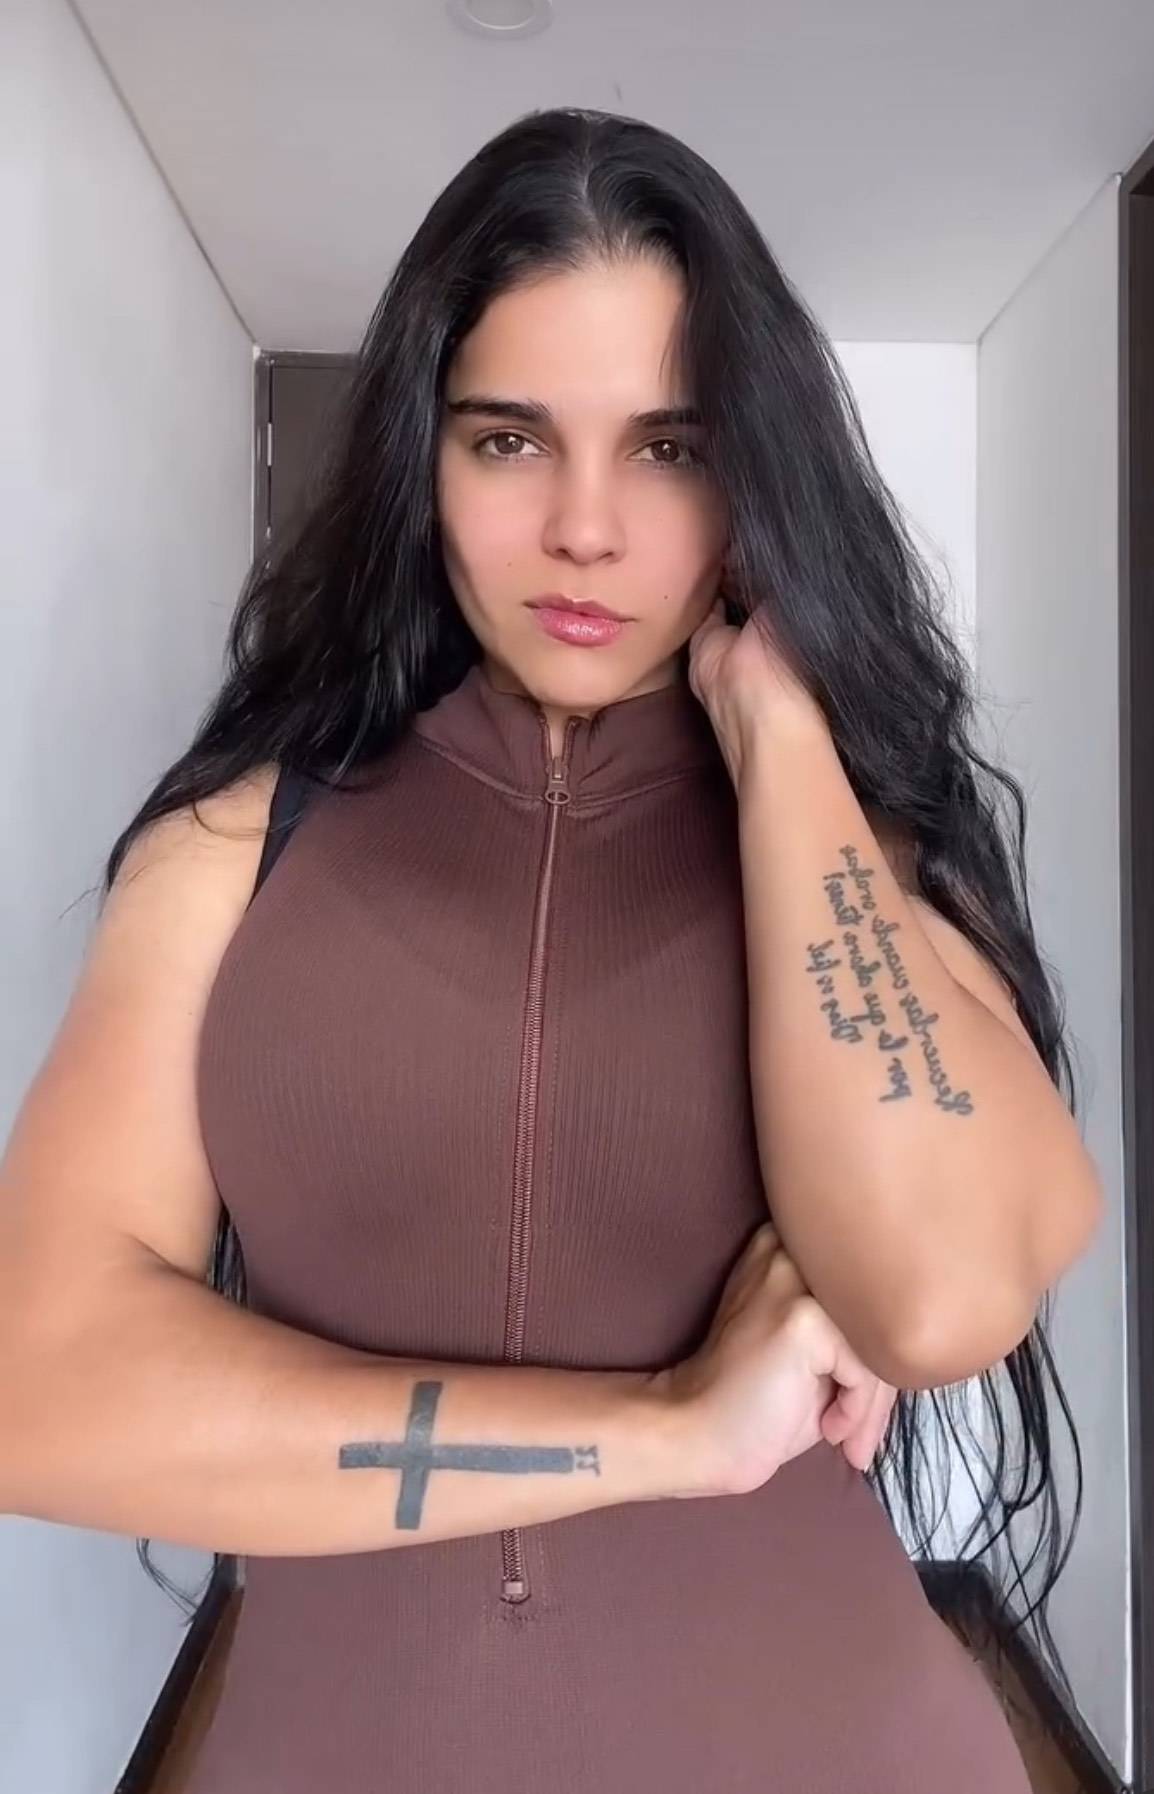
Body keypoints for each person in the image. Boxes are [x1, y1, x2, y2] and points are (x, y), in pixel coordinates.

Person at [0, 107, 1103, 1792]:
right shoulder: (237, 847)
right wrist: (662, 1429)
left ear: (754, 482)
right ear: (420, 462)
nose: (587, 528)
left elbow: (942, 1292)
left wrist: (774, 725)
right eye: (509, 439)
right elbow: (38, 1387)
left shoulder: (839, 858)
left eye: (669, 448)